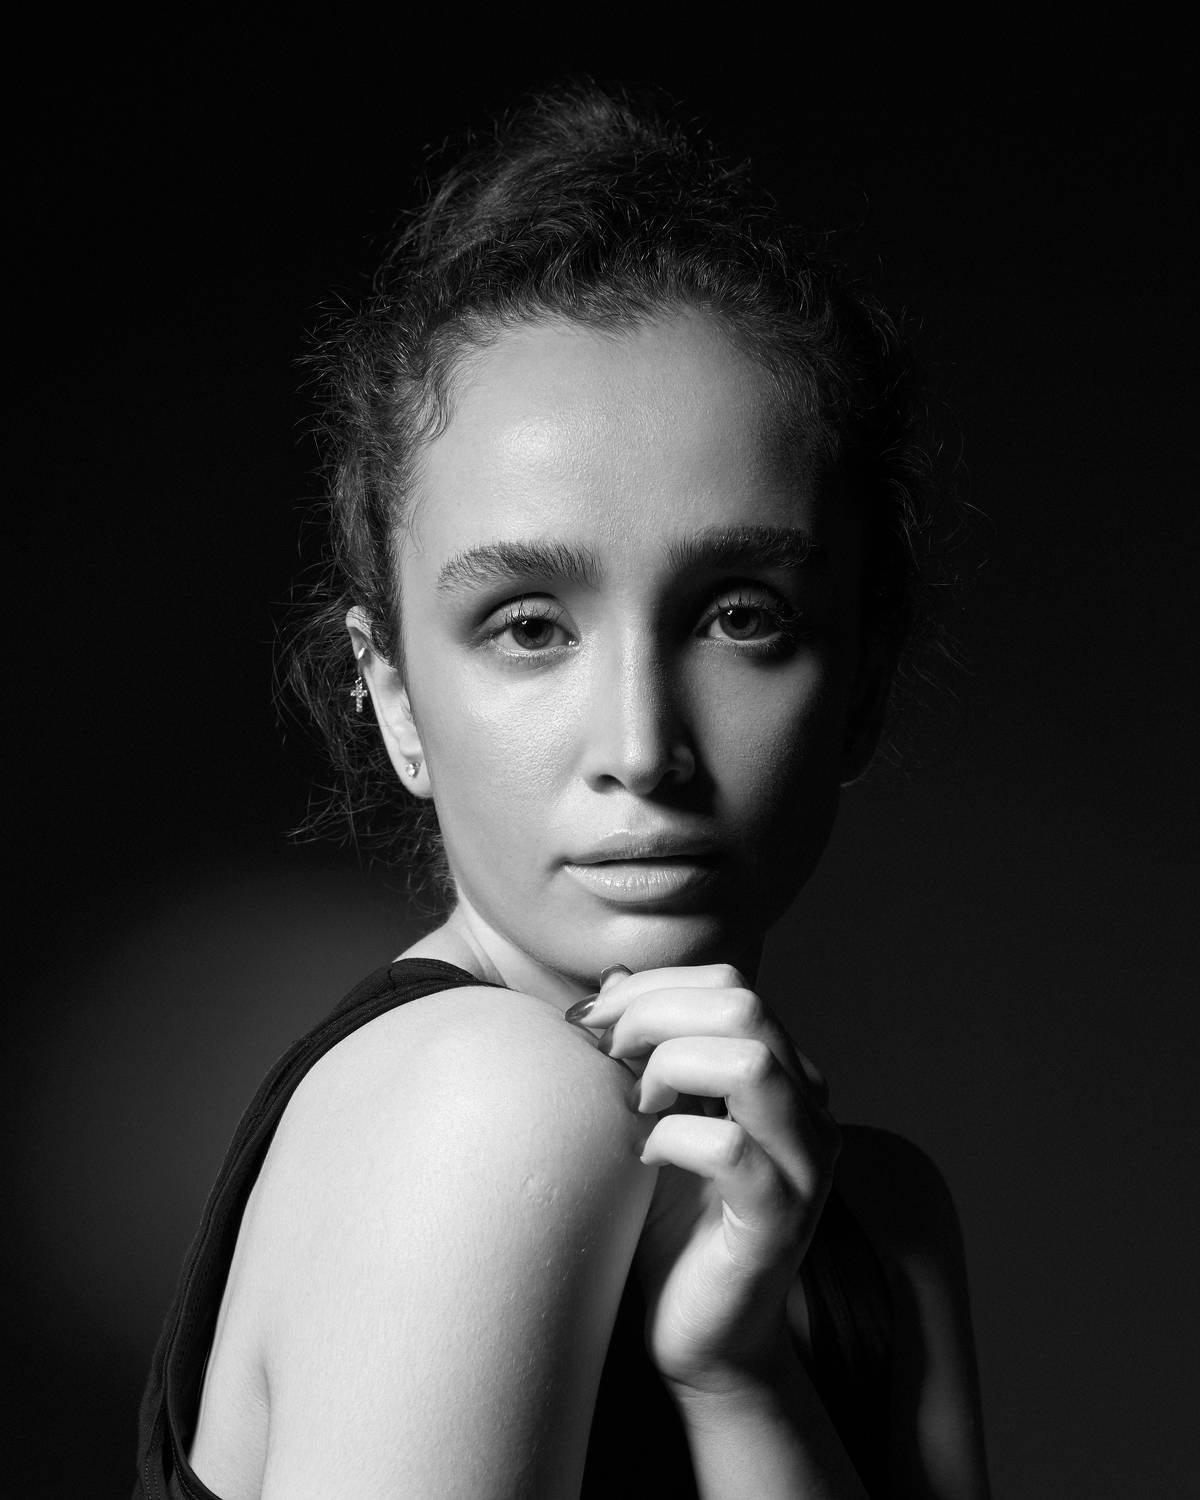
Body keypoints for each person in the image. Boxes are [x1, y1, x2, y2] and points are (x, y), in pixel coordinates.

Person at [134, 85, 990, 1499]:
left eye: (740, 615)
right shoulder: (485, 1109)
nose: (642, 746)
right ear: (395, 697)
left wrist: (738, 1374)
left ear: (862, 681)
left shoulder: (879, 1226)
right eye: (528, 625)